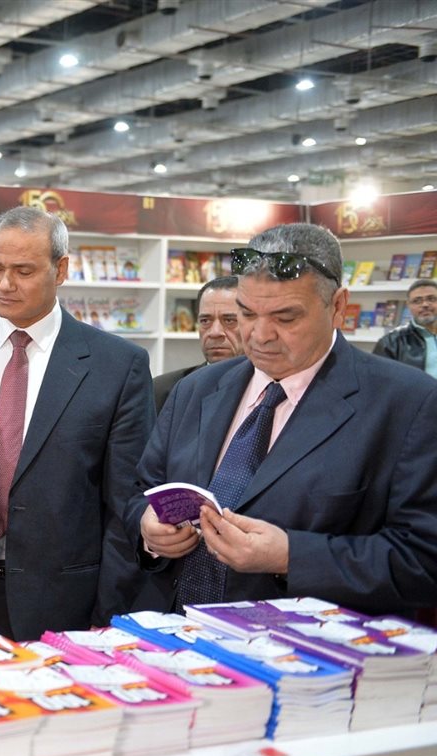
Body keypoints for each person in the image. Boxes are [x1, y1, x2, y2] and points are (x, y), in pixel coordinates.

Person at [131, 223, 437, 615]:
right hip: (172, 633)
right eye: (246, 313)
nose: (260, 335)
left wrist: (291, 556)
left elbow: (423, 558)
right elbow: (143, 489)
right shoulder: (196, 389)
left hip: (304, 644)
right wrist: (148, 529)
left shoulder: (408, 403)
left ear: (338, 306)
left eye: (286, 317)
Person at [0, 206, 155, 640]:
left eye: (23, 271)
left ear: (60, 270)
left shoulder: (118, 366)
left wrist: (109, 613)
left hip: (64, 603)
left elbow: (125, 503)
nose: (4, 284)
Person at [153, 276, 242, 412]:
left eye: (229, 320)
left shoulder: (270, 389)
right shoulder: (164, 391)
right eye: (205, 321)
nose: (215, 332)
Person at [373, 278, 437, 379]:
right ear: (408, 306)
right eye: (417, 301)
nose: (425, 305)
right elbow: (379, 381)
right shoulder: (390, 343)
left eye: (431, 299)